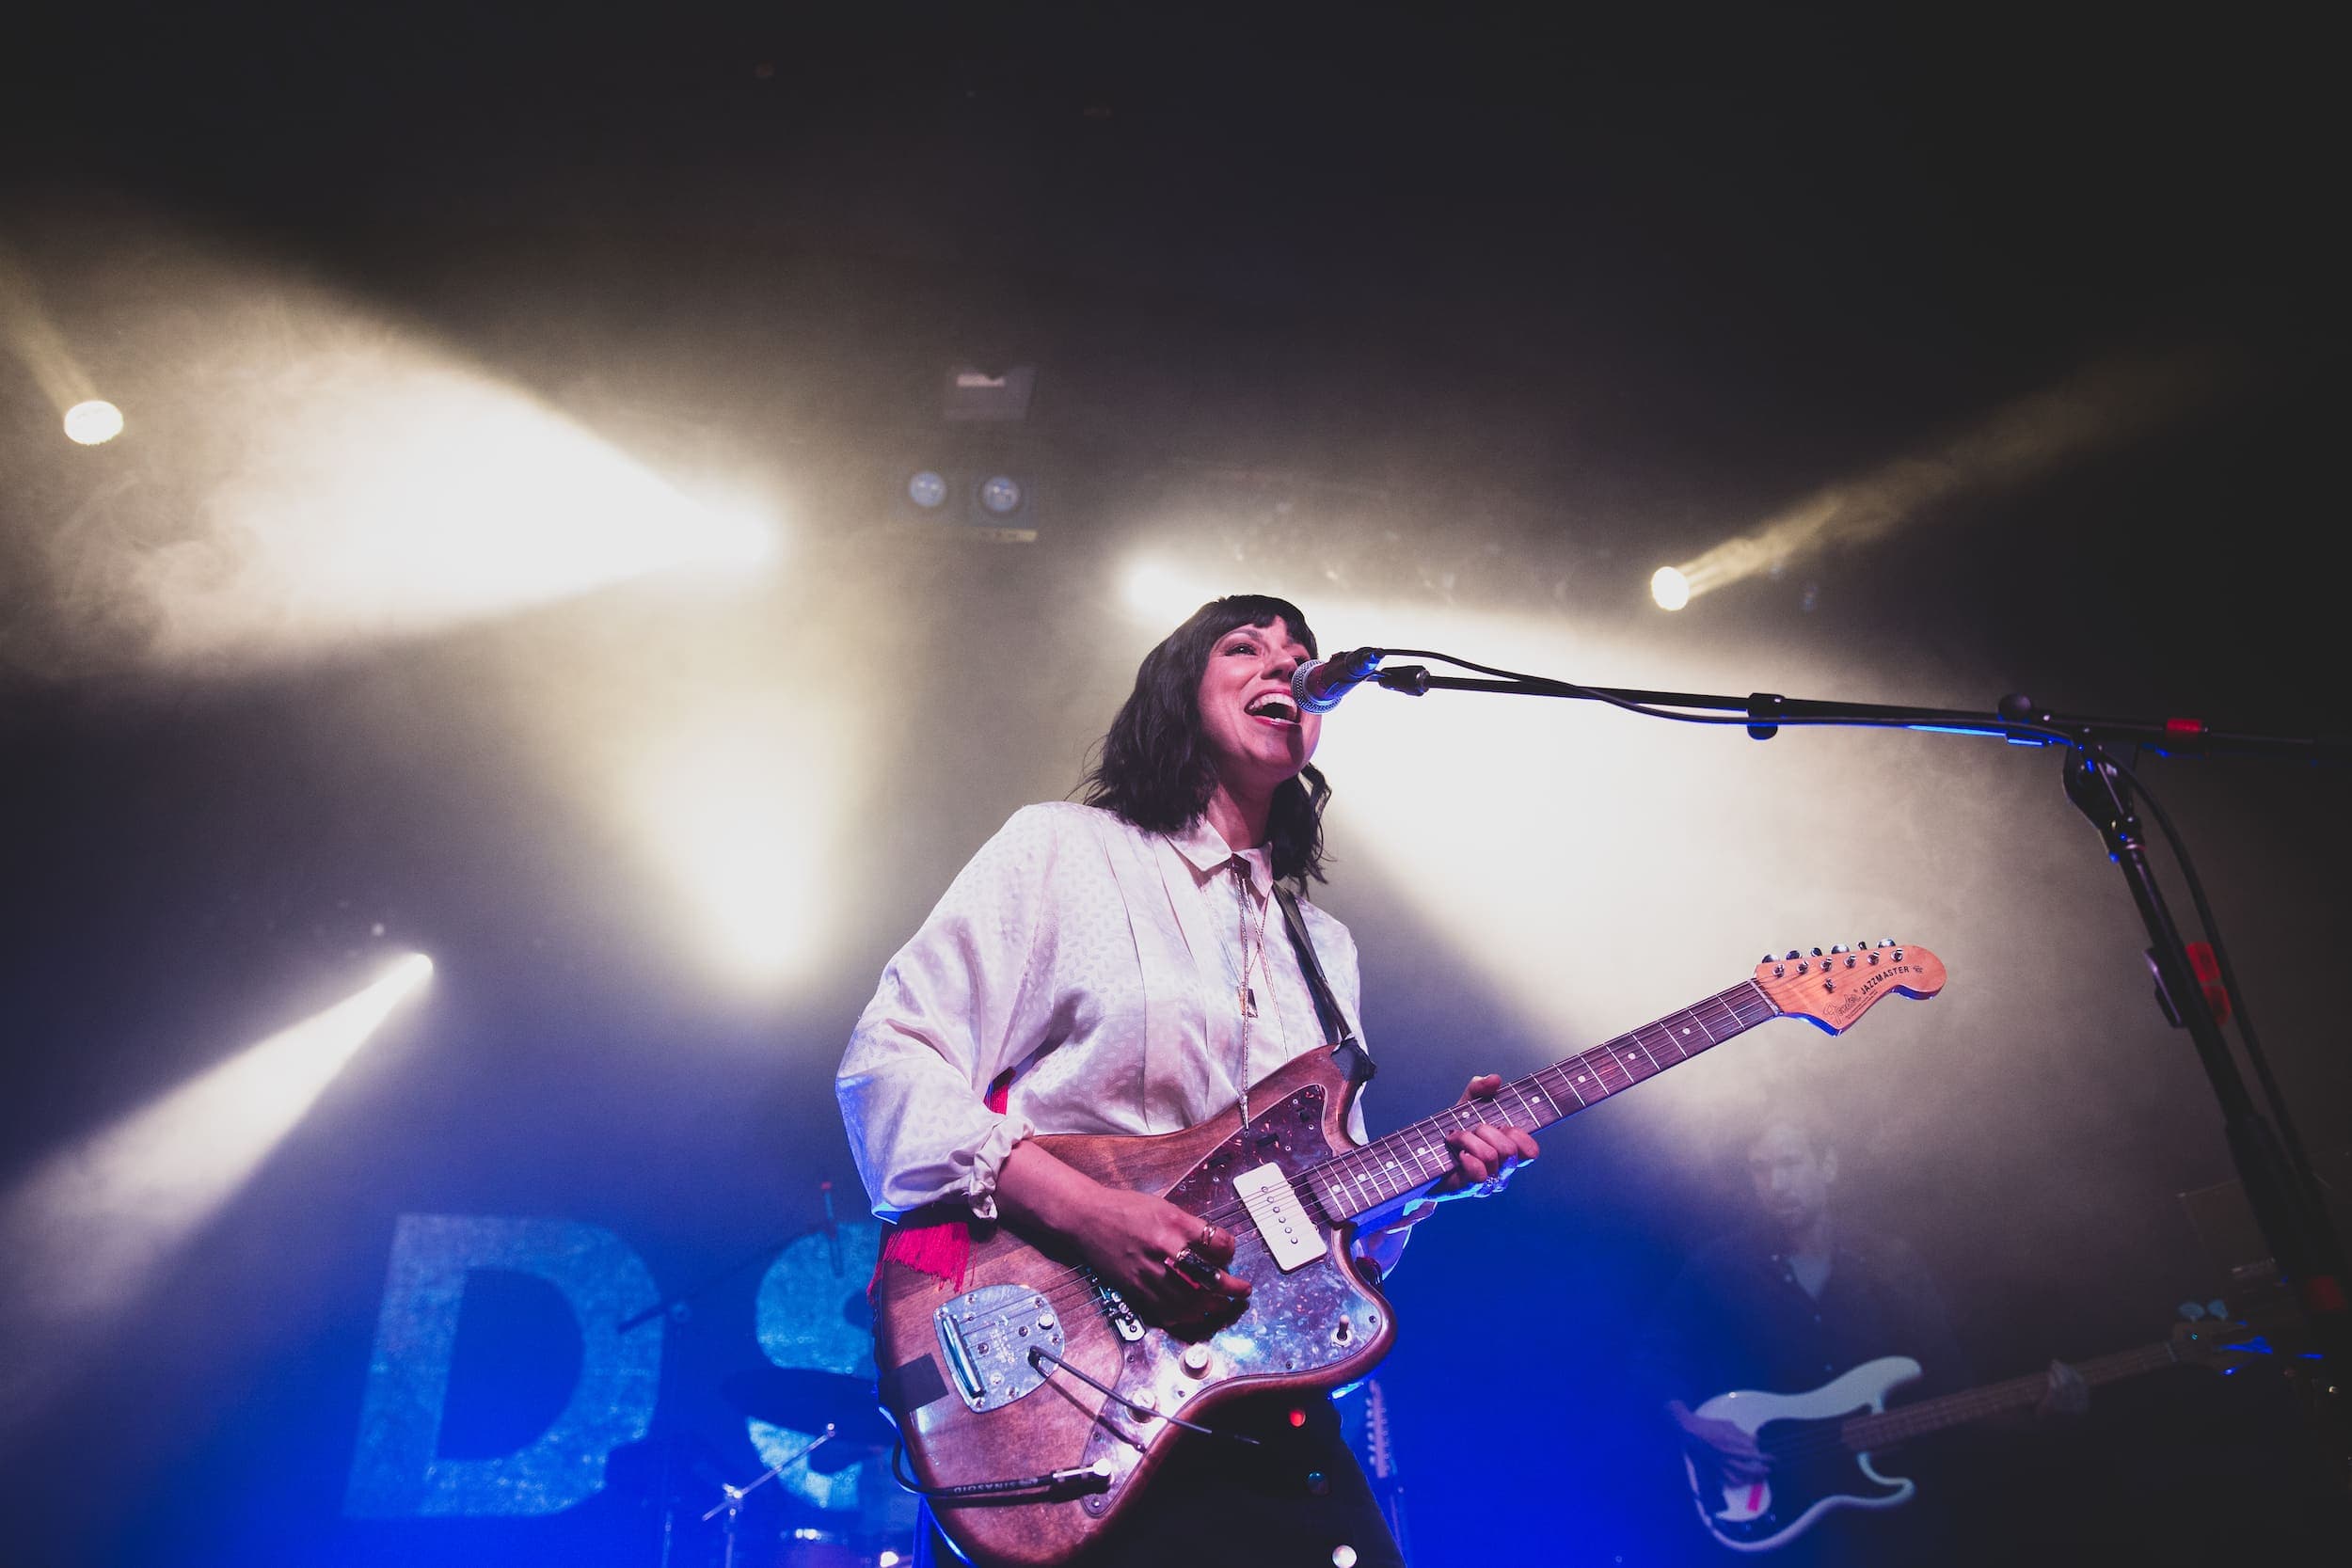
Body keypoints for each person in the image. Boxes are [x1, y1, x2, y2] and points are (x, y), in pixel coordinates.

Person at [837, 594, 1540, 1567]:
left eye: (1301, 654)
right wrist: (1088, 1213)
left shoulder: (1322, 948)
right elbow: (888, 1066)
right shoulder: (1063, 850)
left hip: (1260, 1410)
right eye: (1246, 648)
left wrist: (1433, 1178)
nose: (1286, 666)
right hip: (1081, 1394)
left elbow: (1316, 1240)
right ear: (1178, 691)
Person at [1636, 1109, 2087, 1567]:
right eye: (1761, 1168)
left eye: (1790, 1163)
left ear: (1828, 1166)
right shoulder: (1719, 1267)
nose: (1776, 1183)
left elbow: (1954, 1393)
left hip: (1892, 1535)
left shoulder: (1890, 1262)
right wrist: (1689, 1426)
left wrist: (2042, 1415)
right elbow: (1655, 1356)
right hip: (1775, 1530)